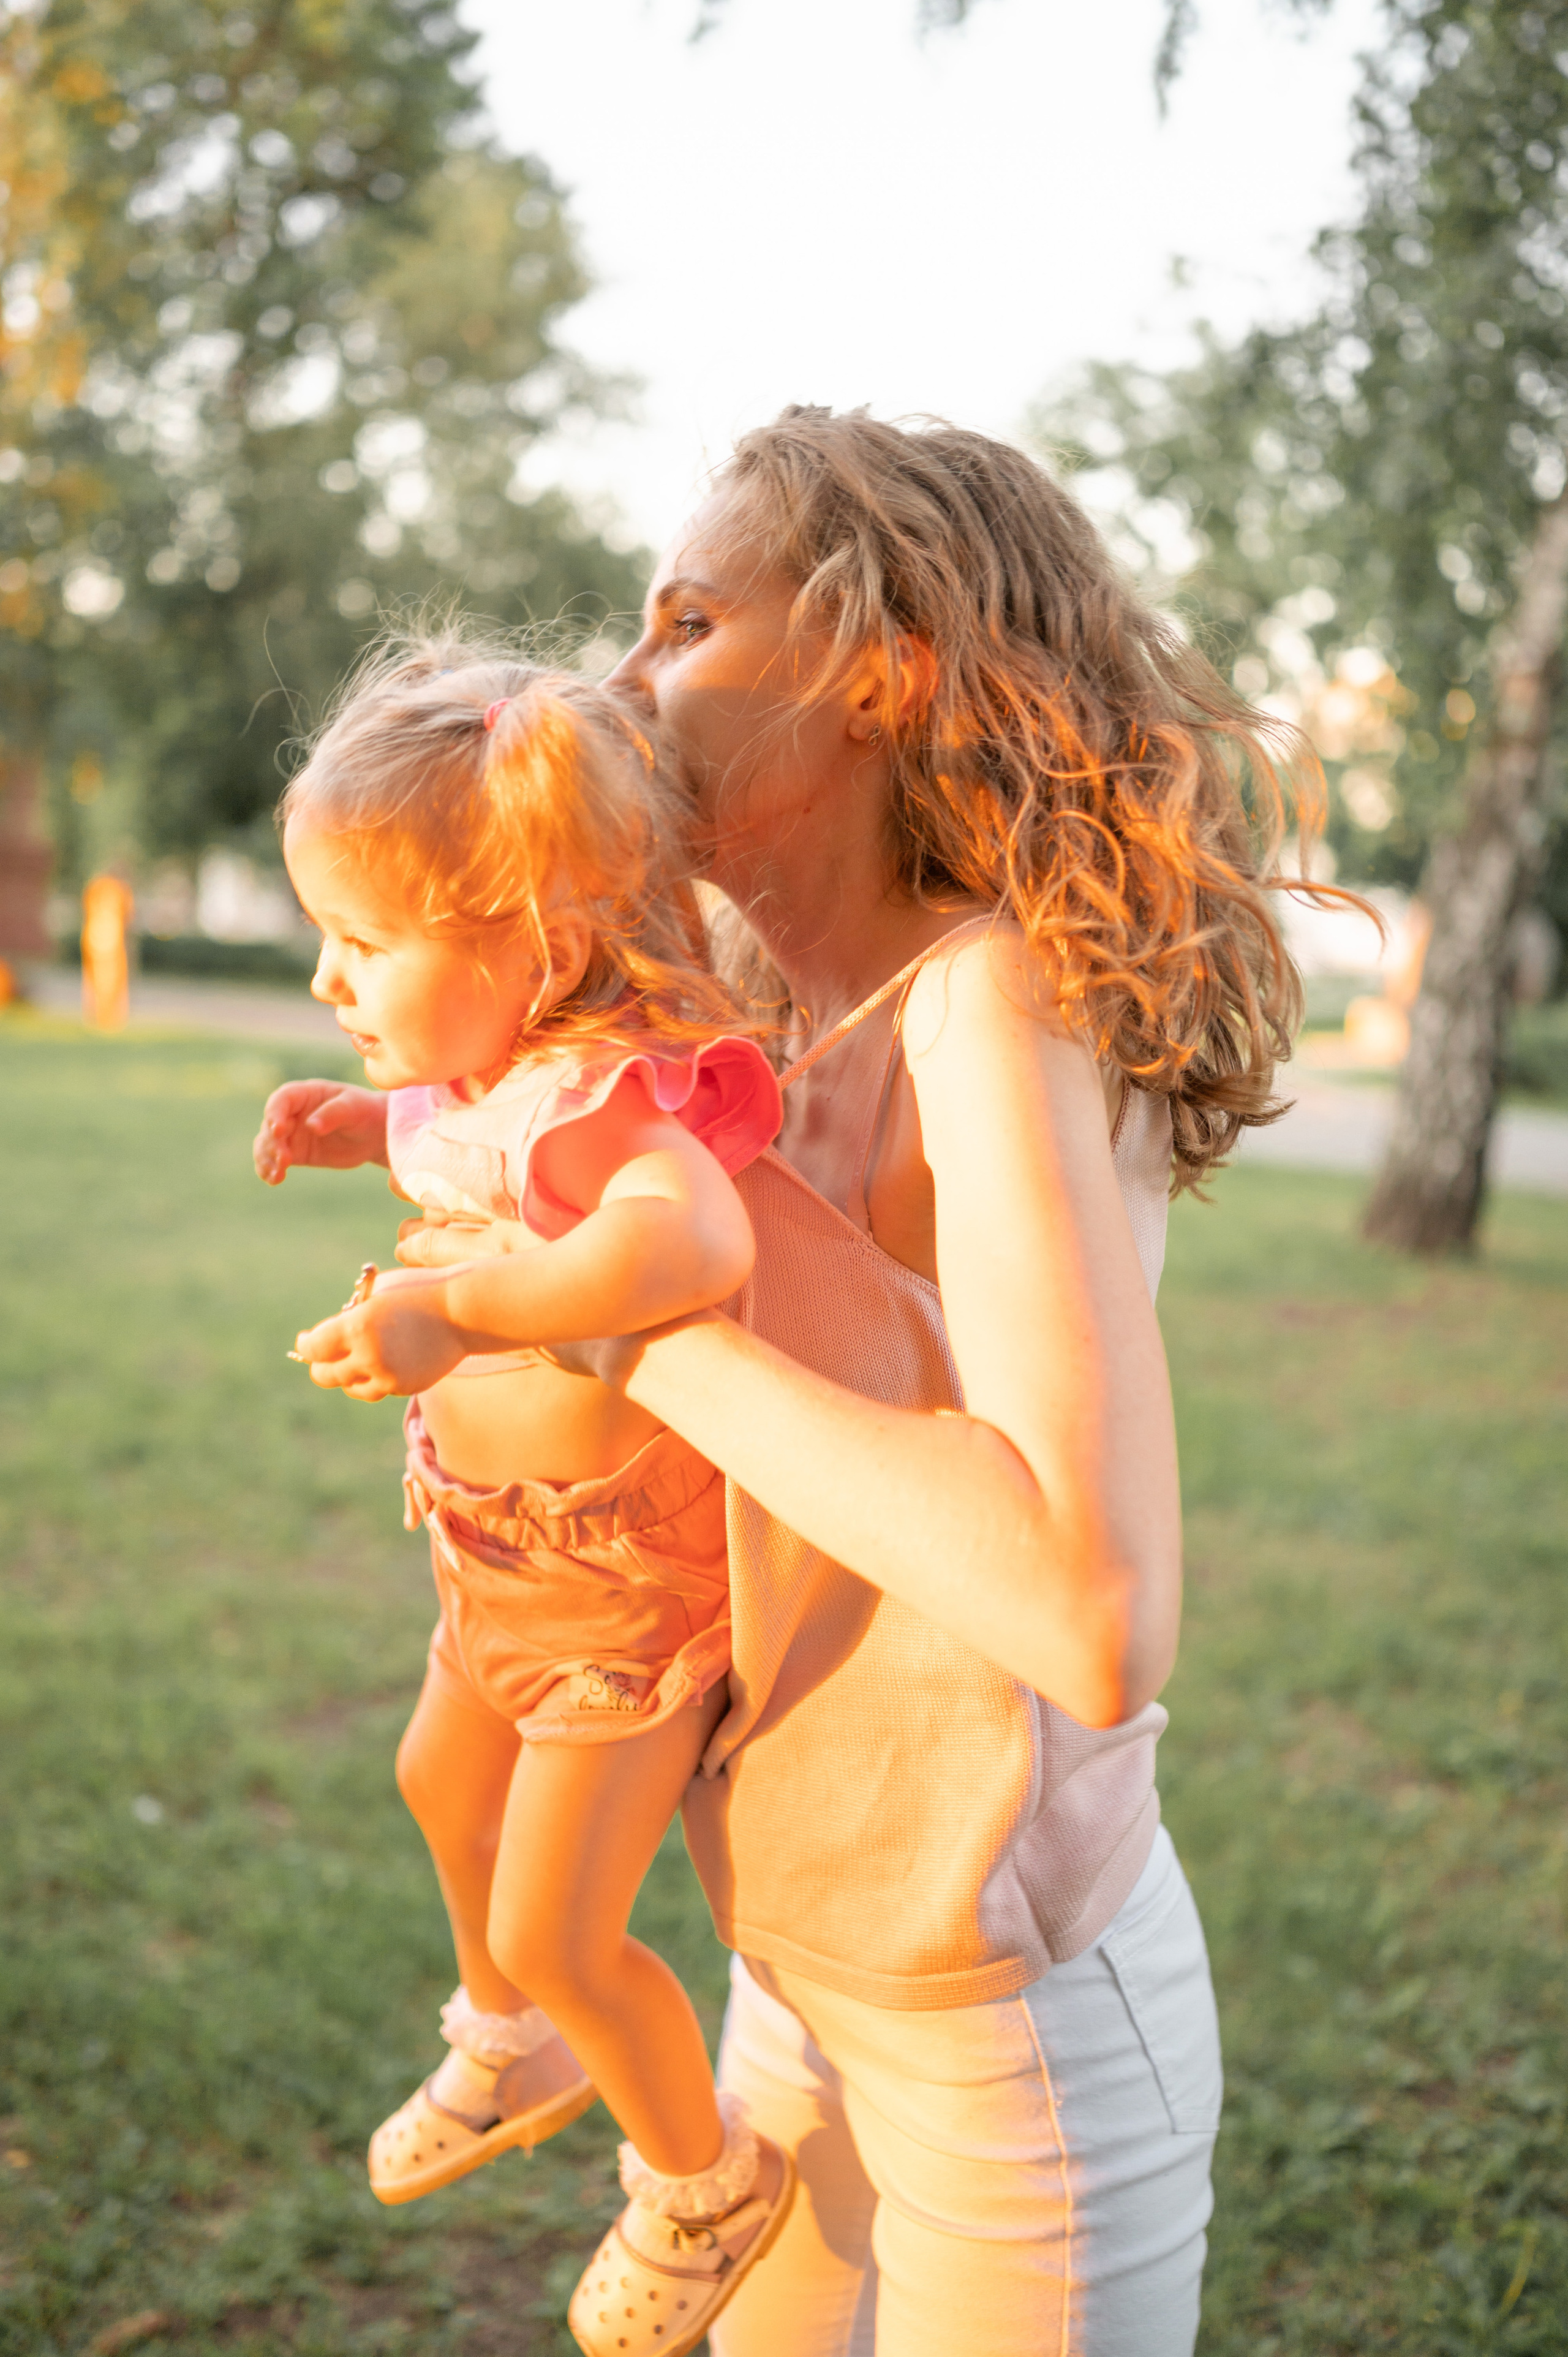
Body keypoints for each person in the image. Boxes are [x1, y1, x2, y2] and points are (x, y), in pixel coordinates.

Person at [398, 409, 1316, 2356]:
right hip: (806, 1944)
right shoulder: (758, 1009)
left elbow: (1093, 1611)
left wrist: (623, 1325)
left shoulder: (990, 997)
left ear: (880, 670)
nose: (627, 678)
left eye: (686, 620)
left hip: (1016, 2038)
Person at [251, 639, 798, 2355]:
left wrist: (457, 1310)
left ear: (537, 946)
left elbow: (690, 1236)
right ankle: (510, 2045)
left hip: (621, 1610)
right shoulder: (493, 1077)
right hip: (496, 1566)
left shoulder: (594, 1102)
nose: (332, 975)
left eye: (364, 942)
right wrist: (361, 1124)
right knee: (435, 1782)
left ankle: (700, 2180)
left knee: (560, 1923)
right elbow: (449, 1123)